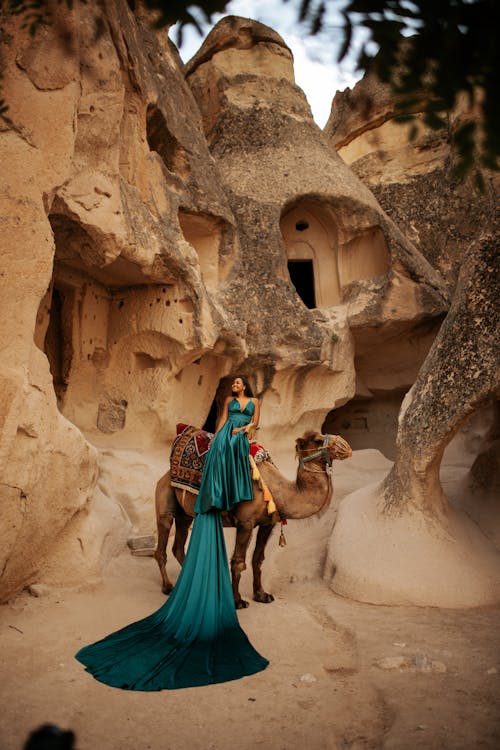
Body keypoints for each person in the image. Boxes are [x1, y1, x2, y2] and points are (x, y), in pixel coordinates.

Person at [75, 375, 268, 690]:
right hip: (224, 442)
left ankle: (236, 498)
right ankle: (220, 496)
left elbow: (255, 425)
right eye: (231, 384)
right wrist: (219, 440)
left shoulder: (253, 404)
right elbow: (219, 423)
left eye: (238, 383)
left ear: (245, 385)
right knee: (224, 457)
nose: (235, 387)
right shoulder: (229, 404)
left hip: (241, 440)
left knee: (256, 468)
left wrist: (243, 433)